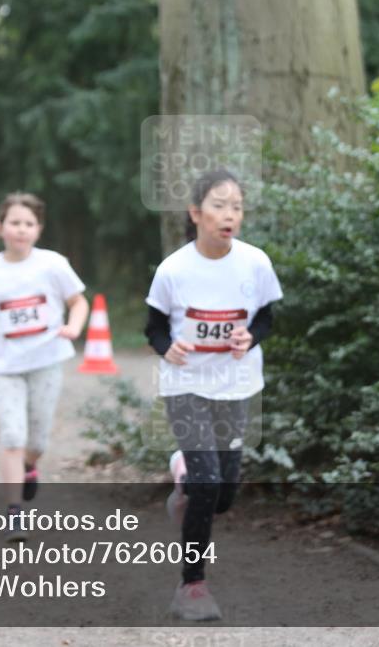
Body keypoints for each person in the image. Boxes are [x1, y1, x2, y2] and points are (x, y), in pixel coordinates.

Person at [144, 169, 283, 621]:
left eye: (237, 206)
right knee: (207, 485)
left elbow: (266, 317)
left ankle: (184, 472)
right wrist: (170, 347)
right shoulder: (174, 269)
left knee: (223, 494)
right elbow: (154, 328)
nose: (230, 214)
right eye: (220, 205)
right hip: (185, 385)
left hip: (235, 385)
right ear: (196, 213)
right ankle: (192, 586)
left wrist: (250, 338)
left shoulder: (255, 262)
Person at [0, 193, 88, 541]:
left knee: (36, 439)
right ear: (0, 227)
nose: (21, 230)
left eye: (28, 224)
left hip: (46, 360)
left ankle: (30, 465)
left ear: (38, 229)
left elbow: (77, 302)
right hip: (5, 365)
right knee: (12, 436)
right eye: (14, 223)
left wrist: (75, 327)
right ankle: (15, 511)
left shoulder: (52, 264)